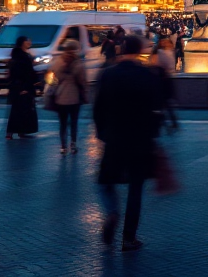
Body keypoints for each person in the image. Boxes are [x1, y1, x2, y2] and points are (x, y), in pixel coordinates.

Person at [93, 35, 166, 251]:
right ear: (141, 50)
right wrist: (152, 133)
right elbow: (156, 107)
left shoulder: (108, 74)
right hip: (140, 138)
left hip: (114, 136)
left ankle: (112, 212)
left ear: (122, 49)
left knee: (106, 183)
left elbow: (98, 107)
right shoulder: (148, 75)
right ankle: (129, 238)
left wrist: (102, 133)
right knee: (136, 188)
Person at [48, 39, 88, 154]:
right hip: (74, 97)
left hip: (60, 97)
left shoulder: (58, 62)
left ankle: (63, 146)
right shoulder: (78, 63)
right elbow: (82, 81)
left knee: (63, 123)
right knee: (74, 122)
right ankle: (73, 144)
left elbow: (52, 79)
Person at [5, 35, 39, 139]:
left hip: (20, 86)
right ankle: (15, 131)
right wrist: (23, 88)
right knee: (20, 109)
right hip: (22, 86)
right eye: (27, 40)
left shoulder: (20, 55)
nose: (29, 42)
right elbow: (21, 72)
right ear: (22, 43)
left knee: (20, 109)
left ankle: (19, 131)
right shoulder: (22, 56)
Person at [153, 34, 179, 130]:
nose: (164, 43)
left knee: (164, 103)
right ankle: (170, 121)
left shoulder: (163, 52)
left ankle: (164, 122)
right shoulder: (169, 51)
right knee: (166, 103)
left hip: (163, 79)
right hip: (166, 78)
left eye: (165, 41)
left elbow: (156, 63)